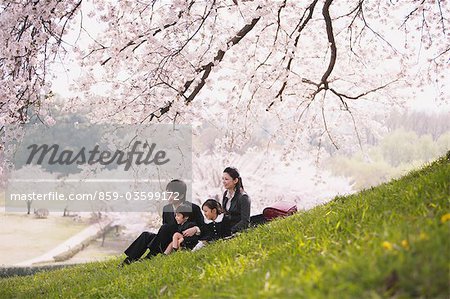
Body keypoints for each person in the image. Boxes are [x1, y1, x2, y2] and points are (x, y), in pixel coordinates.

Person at [121, 179, 204, 266]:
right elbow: (164, 232)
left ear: (181, 195)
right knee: (146, 235)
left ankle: (150, 256)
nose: (168, 196)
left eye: (171, 194)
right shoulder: (167, 208)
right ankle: (128, 261)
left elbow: (204, 226)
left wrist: (195, 229)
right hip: (167, 240)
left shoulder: (193, 208)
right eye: (167, 193)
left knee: (166, 227)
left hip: (181, 242)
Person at [221, 167, 251, 234]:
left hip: (238, 232)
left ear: (235, 180)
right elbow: (225, 215)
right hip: (227, 230)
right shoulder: (226, 194)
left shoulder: (244, 197)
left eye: (226, 179)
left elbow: (245, 221)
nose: (223, 181)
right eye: (222, 179)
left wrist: (231, 231)